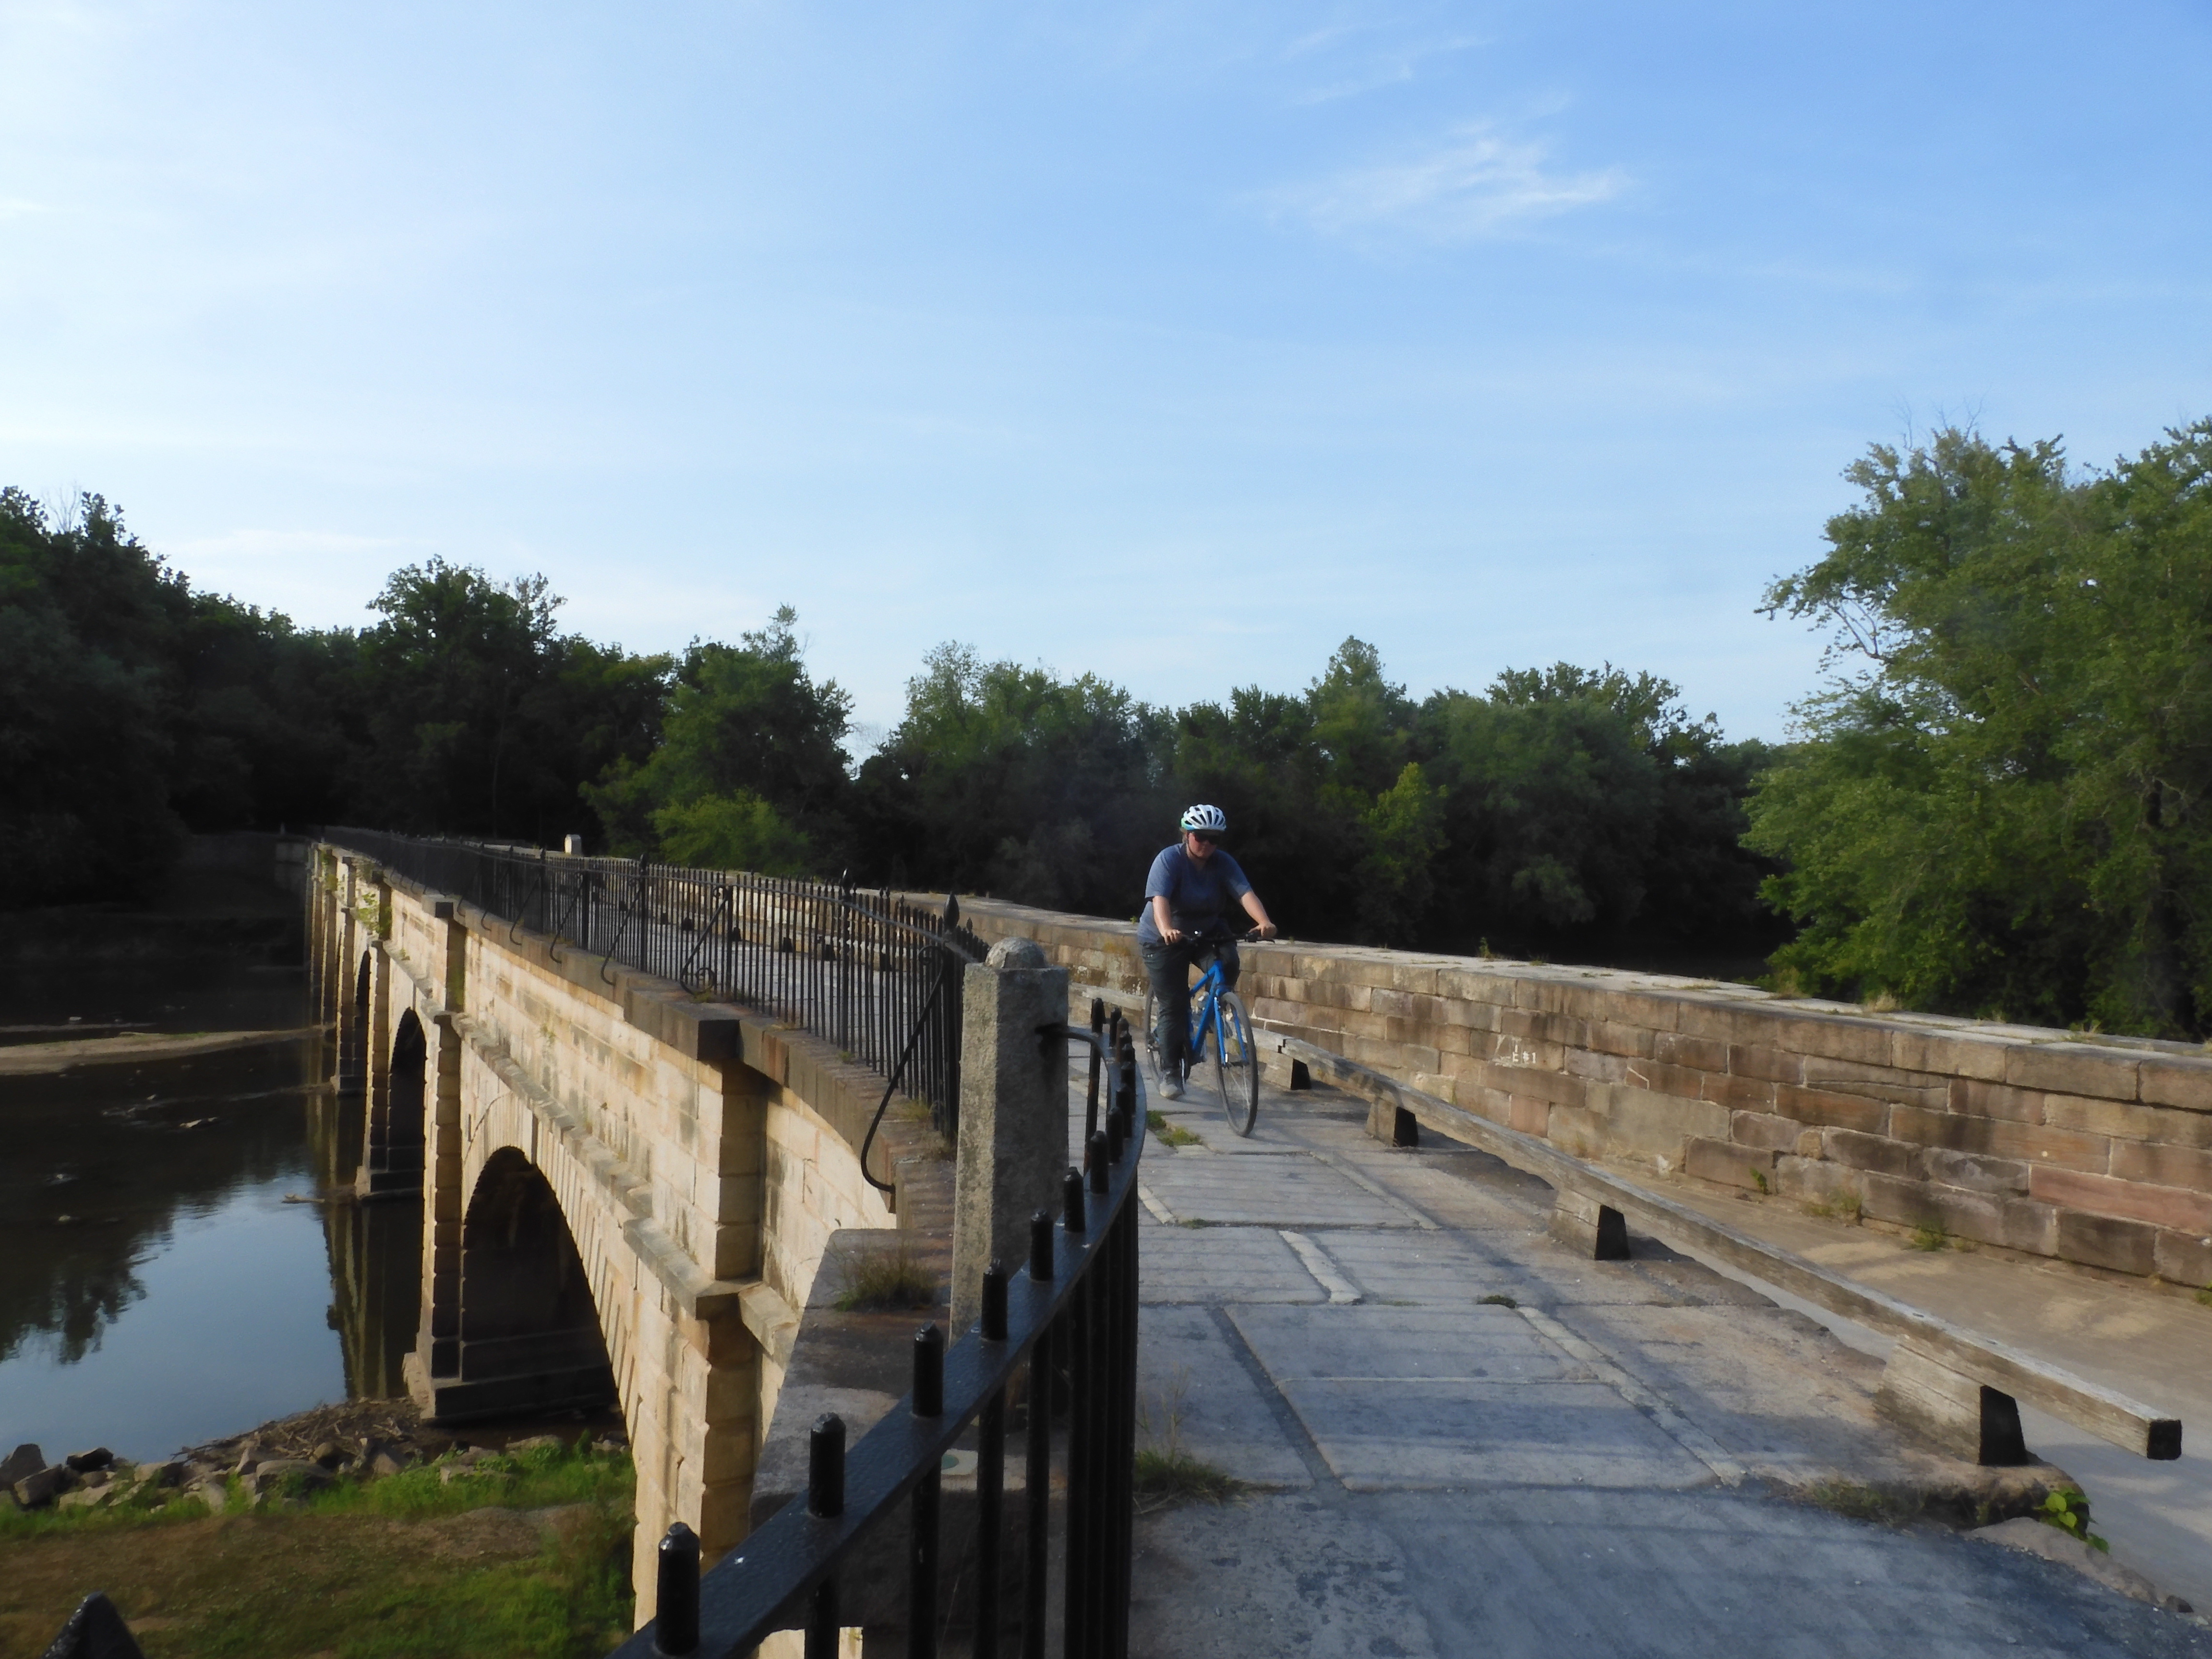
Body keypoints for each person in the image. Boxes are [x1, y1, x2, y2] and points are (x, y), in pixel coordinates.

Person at [1137, 804, 1277, 1098]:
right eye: (1201, 837)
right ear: (1187, 835)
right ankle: (1171, 1071)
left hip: (1205, 929)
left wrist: (1263, 922)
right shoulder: (1169, 860)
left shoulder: (1223, 863)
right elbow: (1159, 900)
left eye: (1214, 839)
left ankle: (1212, 1005)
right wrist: (1166, 929)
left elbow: (1244, 893)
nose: (1207, 844)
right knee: (1174, 1005)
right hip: (1163, 937)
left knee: (1228, 961)